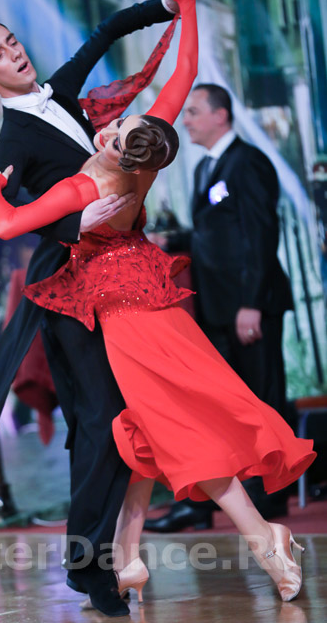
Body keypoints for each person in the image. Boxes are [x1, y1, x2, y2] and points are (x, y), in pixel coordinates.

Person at [0, 0, 315, 606]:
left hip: (123, 317)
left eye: (115, 125)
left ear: (114, 144)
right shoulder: (143, 162)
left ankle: (250, 540)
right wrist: (181, 6)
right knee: (151, 425)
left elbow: (5, 225)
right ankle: (137, 552)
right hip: (155, 301)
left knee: (160, 427)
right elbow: (182, 73)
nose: (107, 118)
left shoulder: (85, 185)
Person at [0, 0, 202, 617]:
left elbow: (105, 33)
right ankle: (92, 569)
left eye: (12, 42)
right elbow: (9, 215)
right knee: (103, 419)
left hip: (120, 274)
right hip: (69, 289)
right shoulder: (12, 142)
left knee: (118, 416)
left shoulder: (59, 92)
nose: (14, 53)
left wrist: (168, 6)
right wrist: (72, 225)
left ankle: (100, 559)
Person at [145, 83, 295, 533]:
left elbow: (261, 235)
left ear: (221, 115)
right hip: (217, 307)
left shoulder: (247, 162)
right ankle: (241, 493)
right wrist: (174, 241)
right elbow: (216, 233)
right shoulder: (206, 167)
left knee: (264, 398)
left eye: (193, 112)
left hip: (249, 306)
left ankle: (273, 495)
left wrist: (252, 304)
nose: (186, 120)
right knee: (234, 404)